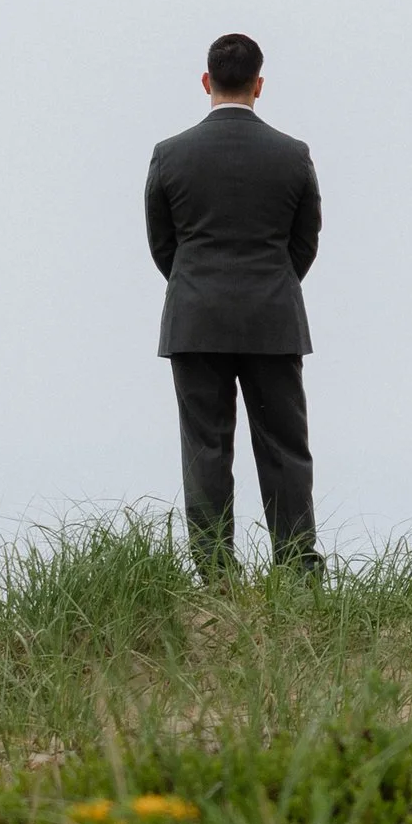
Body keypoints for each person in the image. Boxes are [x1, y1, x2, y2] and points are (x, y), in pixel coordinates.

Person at [144, 32, 322, 573]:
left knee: (205, 451)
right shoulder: (293, 155)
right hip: (273, 320)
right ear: (259, 84)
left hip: (195, 320)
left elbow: (162, 245)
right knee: (285, 451)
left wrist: (195, 285)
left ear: (206, 82)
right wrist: (273, 282)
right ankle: (295, 570)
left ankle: (217, 576)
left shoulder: (170, 154)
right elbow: (305, 242)